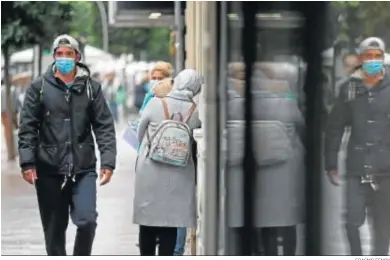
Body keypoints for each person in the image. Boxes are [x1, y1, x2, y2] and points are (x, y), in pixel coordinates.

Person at [18, 34, 117, 256]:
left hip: (83, 168)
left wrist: (108, 162)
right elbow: (27, 127)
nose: (64, 58)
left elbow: (104, 126)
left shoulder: (91, 88)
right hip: (49, 170)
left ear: (77, 57)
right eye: (59, 54)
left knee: (87, 221)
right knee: (54, 232)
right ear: (53, 57)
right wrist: (27, 163)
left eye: (68, 54)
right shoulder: (39, 87)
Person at [226, 61, 305, 256]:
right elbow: (304, 132)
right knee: (281, 222)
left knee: (244, 224)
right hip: (281, 175)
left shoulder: (230, 105)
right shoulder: (286, 103)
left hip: (241, 176)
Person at [325, 37, 390, 255]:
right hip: (356, 167)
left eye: (377, 57)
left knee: (382, 226)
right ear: (361, 60)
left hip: (386, 168)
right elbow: (335, 127)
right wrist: (331, 163)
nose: (373, 61)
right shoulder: (349, 89)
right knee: (352, 220)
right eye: (368, 57)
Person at [133, 69, 202, 256]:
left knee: (148, 221)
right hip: (180, 172)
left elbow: (139, 133)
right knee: (170, 223)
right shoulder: (195, 112)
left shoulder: (155, 103)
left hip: (150, 169)